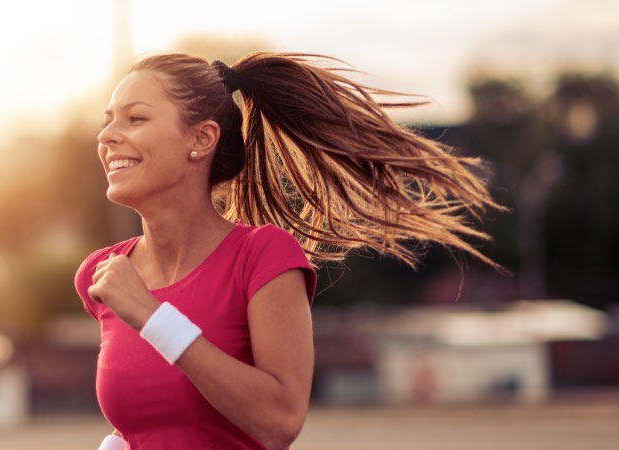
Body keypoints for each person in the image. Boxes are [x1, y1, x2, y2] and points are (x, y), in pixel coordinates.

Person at [75, 52, 503, 450]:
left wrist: (150, 316)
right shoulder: (104, 275)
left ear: (202, 138)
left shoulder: (262, 256)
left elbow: (280, 420)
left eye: (135, 118)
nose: (108, 135)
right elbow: (155, 423)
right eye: (108, 120)